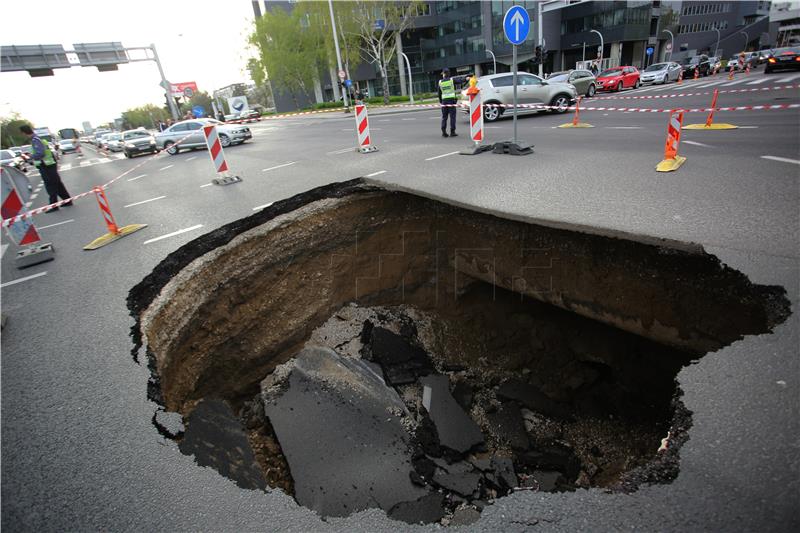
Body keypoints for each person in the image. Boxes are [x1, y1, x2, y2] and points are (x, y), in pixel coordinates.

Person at [19, 124, 72, 211]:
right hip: (49, 164)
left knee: (50, 185)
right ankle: (67, 200)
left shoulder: (35, 140)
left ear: (24, 133)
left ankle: (53, 206)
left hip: (46, 165)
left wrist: (30, 156)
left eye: (22, 133)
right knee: (57, 184)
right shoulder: (37, 139)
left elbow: (40, 153)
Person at [438, 68, 458, 138]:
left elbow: (439, 93)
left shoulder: (440, 82)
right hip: (451, 101)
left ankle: (444, 132)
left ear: (444, 74)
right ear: (448, 73)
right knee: (452, 117)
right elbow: (460, 80)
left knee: (444, 117)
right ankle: (452, 132)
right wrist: (466, 78)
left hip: (444, 101)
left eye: (443, 74)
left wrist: (441, 101)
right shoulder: (452, 80)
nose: (442, 75)